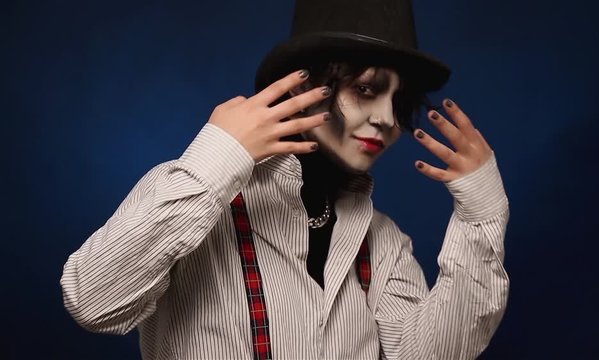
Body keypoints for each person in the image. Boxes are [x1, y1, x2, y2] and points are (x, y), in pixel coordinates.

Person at [61, 0, 510, 359]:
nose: (388, 119)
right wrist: (220, 152)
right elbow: (95, 301)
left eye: (400, 100)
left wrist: (481, 215)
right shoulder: (191, 197)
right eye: (367, 90)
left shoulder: (383, 242)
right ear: (299, 88)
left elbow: (428, 354)